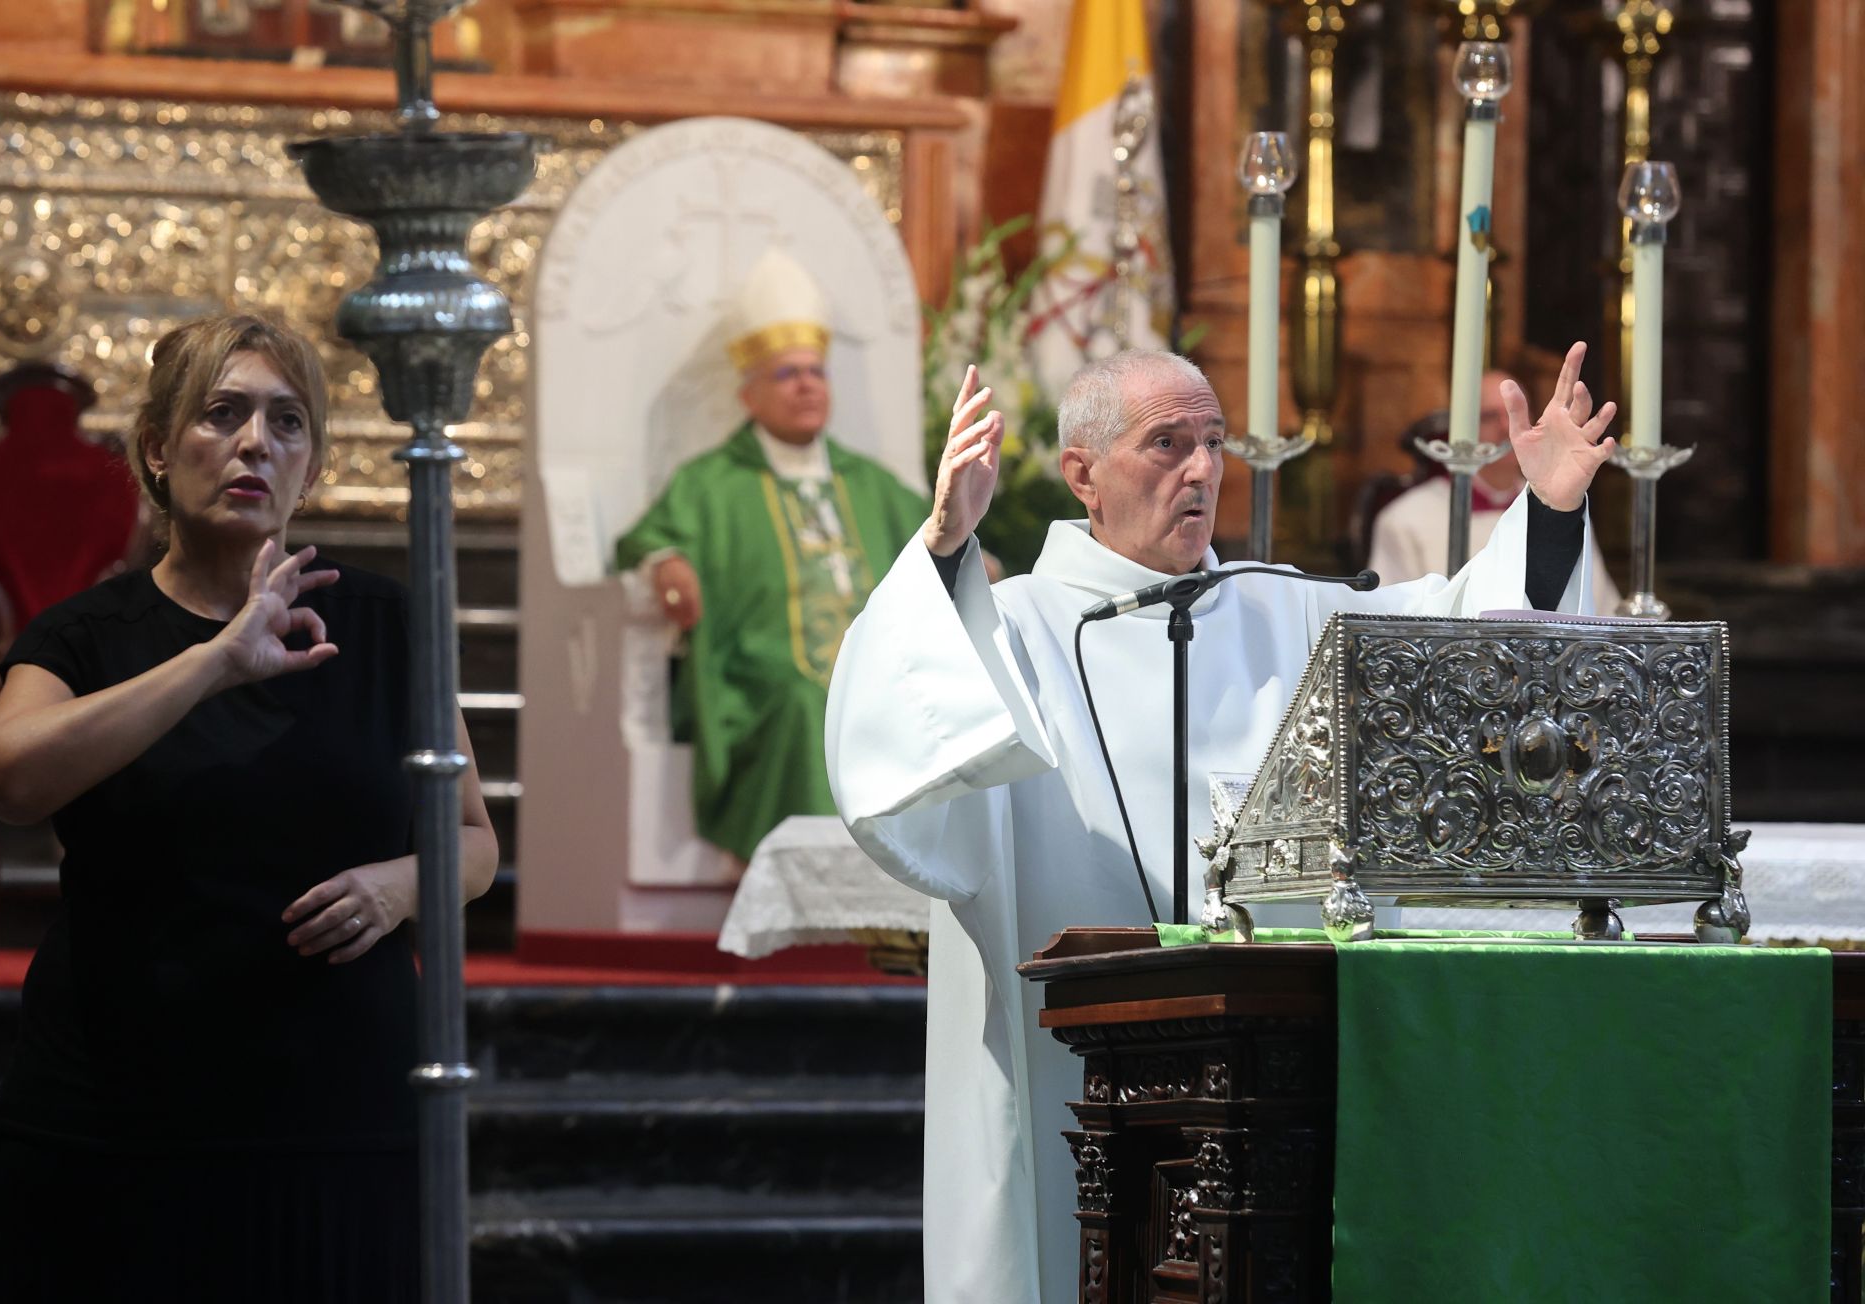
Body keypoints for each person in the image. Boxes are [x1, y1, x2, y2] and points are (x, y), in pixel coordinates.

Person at [824, 345, 1616, 1302]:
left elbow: (1457, 641)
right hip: (1070, 1060)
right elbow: (892, 721)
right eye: (1166, 443)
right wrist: (948, 543)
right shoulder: (1009, 625)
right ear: (1083, 475)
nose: (1201, 468)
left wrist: (1552, 511)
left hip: (1262, 1062)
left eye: (1213, 442)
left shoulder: (1286, 610)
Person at [0, 313, 498, 1304]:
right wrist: (218, 660)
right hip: (117, 1125)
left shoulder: (388, 623)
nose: (257, 441)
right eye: (223, 414)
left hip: (342, 1117)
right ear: (160, 450)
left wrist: (399, 885)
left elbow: (472, 841)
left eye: (287, 422)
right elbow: (9, 776)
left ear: (311, 465)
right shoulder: (87, 633)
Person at [613, 247, 929, 864]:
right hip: (756, 669)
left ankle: (900, 873)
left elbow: (945, 536)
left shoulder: (872, 484)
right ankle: (789, 870)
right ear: (750, 395)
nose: (808, 384)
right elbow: (645, 539)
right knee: (800, 695)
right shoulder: (709, 482)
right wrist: (666, 563)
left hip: (877, 661)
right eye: (787, 374)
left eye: (817, 371)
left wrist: (980, 563)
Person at [1369, 367, 1624, 610]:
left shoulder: (1562, 509)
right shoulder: (1405, 518)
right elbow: (1390, 614)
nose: (1506, 427)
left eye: (1516, 413)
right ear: (1459, 427)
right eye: (1490, 416)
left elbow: (1598, 608)